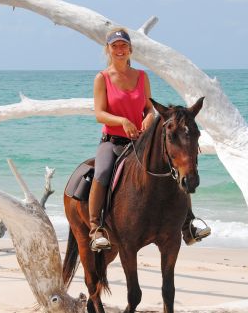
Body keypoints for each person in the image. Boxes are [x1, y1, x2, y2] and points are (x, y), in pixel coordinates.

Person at [88, 27, 210, 251]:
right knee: (103, 171)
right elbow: (99, 114)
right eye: (115, 46)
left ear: (130, 49)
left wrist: (148, 118)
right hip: (113, 141)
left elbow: (148, 109)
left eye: (123, 46)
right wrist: (122, 121)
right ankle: (96, 228)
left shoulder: (141, 76)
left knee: (175, 168)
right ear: (108, 50)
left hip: (140, 141)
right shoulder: (102, 78)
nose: (120, 50)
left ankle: (188, 224)